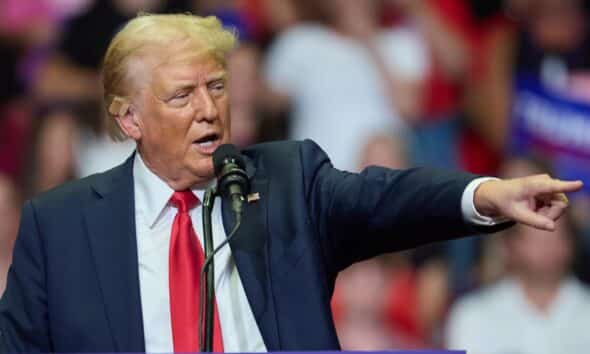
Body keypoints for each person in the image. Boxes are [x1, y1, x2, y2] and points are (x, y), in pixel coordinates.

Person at [0, 13, 583, 353]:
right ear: (129, 119)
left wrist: (484, 194)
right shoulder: (60, 225)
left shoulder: (284, 180)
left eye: (218, 87)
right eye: (182, 95)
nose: (210, 110)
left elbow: (385, 199)